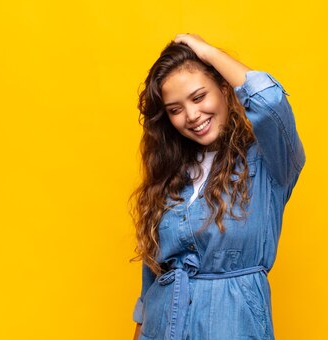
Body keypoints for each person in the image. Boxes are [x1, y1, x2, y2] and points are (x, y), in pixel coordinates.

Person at [130, 33, 306, 340]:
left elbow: (270, 101)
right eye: (175, 109)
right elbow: (152, 283)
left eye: (199, 97)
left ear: (225, 89)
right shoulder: (169, 175)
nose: (192, 115)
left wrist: (208, 53)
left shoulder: (268, 162)